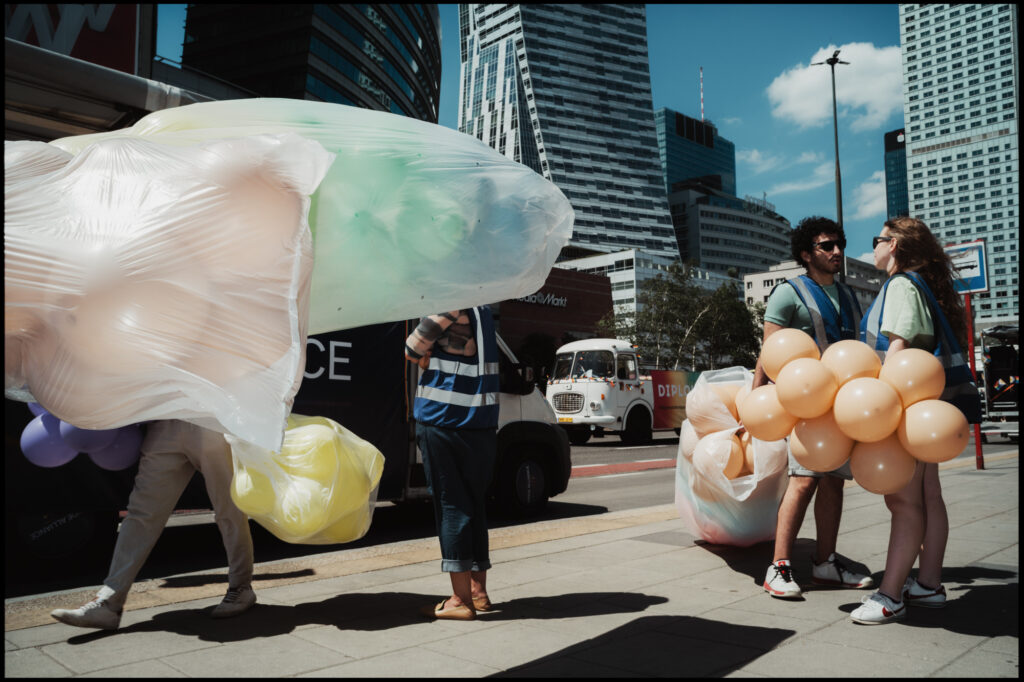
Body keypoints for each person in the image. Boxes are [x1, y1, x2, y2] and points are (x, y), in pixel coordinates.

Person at [850, 217, 980, 625]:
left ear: (896, 246)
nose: (874, 246)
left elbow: (899, 348)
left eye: (879, 240)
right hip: (928, 409)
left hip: (906, 407)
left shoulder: (902, 285)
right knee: (929, 496)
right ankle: (928, 584)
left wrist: (879, 406)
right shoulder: (923, 286)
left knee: (904, 501)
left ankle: (890, 595)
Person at [754, 216, 875, 599]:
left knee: (834, 481)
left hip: (843, 405)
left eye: (839, 243)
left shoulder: (849, 294)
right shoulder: (787, 293)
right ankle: (780, 567)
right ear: (806, 254)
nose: (837, 251)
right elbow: (768, 353)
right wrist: (753, 400)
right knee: (804, 480)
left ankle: (825, 563)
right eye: (827, 246)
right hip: (806, 405)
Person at [50, 420, 256, 630]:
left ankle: (240, 587)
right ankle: (109, 602)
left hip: (209, 418)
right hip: (165, 423)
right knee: (141, 513)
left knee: (229, 510)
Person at [405, 306, 499, 621]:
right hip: (481, 423)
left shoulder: (453, 300)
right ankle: (478, 592)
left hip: (444, 420)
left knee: (452, 506)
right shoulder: (484, 308)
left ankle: (459, 600)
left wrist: (423, 354)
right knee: (475, 505)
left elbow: (411, 347)